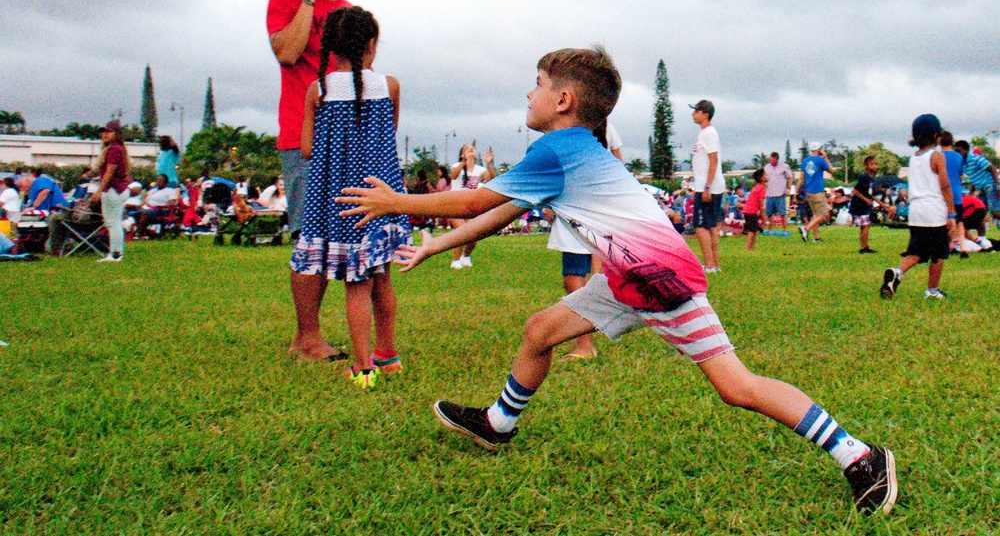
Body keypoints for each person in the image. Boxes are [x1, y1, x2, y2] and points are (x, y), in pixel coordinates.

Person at [339, 46, 897, 515]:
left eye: (535, 86)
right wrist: (437, 243)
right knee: (539, 331)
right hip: (628, 278)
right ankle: (498, 423)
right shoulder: (568, 150)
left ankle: (859, 455)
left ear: (563, 100)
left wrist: (398, 202)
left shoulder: (557, 148)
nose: (527, 96)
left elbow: (477, 198)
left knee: (738, 387)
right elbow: (503, 210)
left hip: (659, 279)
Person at [288, 6, 410, 387]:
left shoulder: (318, 90)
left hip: (341, 202)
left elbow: (306, 149)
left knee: (356, 284)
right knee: (382, 278)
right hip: (384, 196)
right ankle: (387, 354)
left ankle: (363, 367)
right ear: (372, 44)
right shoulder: (389, 86)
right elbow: (388, 134)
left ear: (329, 47)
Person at [267, 0, 361, 237]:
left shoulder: (350, 13)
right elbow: (287, 54)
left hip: (346, 137)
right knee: (308, 239)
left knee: (351, 238)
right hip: (301, 137)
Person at [547, 122, 624, 361]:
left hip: (580, 206)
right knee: (583, 276)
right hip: (584, 207)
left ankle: (585, 344)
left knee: (575, 278)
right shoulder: (604, 127)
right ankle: (588, 339)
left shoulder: (580, 128)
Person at [881, 115, 951, 300]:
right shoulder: (937, 156)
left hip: (916, 211)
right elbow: (944, 185)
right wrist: (951, 212)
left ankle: (897, 272)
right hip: (934, 210)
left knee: (917, 252)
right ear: (936, 134)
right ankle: (932, 290)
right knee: (938, 253)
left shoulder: (914, 158)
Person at [689, 99, 725, 273]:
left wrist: (707, 186)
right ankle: (714, 263)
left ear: (705, 114)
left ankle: (710, 265)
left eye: (696, 111)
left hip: (707, 186)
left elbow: (713, 159)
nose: (693, 114)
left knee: (701, 225)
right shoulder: (705, 134)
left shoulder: (708, 133)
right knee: (710, 225)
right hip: (707, 184)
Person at [448, 144, 496, 269]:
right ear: (461, 154)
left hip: (471, 206)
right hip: (455, 204)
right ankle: (455, 260)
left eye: (472, 148)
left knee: (474, 235)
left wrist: (489, 164)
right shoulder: (456, 166)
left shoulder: (479, 169)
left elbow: (492, 179)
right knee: (462, 231)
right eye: (467, 148)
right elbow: (453, 176)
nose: (471, 150)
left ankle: (466, 256)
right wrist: (464, 161)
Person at [90, 121, 132, 262]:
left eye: (109, 131)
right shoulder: (118, 148)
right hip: (118, 189)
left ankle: (115, 254)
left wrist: (98, 191)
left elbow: (109, 172)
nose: (105, 134)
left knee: (112, 223)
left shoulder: (113, 149)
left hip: (112, 190)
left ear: (116, 134)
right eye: (104, 132)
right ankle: (116, 253)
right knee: (115, 222)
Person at [849, 156, 893, 254]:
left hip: (865, 205)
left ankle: (864, 246)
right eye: (871, 164)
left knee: (864, 226)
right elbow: (855, 191)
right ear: (866, 165)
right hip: (859, 205)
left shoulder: (872, 179)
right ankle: (864, 247)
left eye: (875, 164)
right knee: (866, 225)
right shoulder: (864, 177)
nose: (874, 166)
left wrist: (883, 205)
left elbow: (871, 194)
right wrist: (865, 199)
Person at [953, 140, 999, 224]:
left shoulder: (975, 158)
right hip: (980, 188)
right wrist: (971, 193)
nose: (957, 154)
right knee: (981, 211)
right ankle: (983, 236)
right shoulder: (963, 163)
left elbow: (992, 169)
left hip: (989, 185)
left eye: (958, 151)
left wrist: (998, 187)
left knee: (995, 210)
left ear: (965, 150)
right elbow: (972, 178)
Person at [938, 132, 967, 257]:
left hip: (943, 193)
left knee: (944, 220)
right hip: (957, 192)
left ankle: (950, 245)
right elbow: (961, 176)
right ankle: (963, 246)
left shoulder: (938, 156)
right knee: (959, 220)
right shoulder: (959, 157)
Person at [798, 143, 833, 243]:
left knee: (815, 214)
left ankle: (816, 237)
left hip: (808, 190)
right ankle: (806, 229)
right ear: (819, 150)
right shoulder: (820, 160)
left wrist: (796, 190)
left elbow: (801, 178)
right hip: (818, 190)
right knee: (823, 213)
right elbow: (831, 170)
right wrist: (826, 158)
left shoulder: (805, 161)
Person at [763, 152, 794, 231]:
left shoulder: (784, 167)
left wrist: (789, 188)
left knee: (783, 213)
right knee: (769, 213)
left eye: (774, 160)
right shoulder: (766, 167)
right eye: (771, 160)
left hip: (780, 193)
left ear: (777, 159)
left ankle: (785, 230)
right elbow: (763, 179)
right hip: (769, 193)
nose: (772, 162)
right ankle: (770, 230)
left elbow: (790, 177)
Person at [743, 169, 766, 251]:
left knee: (754, 230)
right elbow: (761, 204)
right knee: (751, 230)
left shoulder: (758, 187)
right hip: (751, 211)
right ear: (761, 178)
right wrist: (763, 216)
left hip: (749, 210)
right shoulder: (761, 188)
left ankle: (751, 248)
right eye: (765, 175)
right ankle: (748, 248)